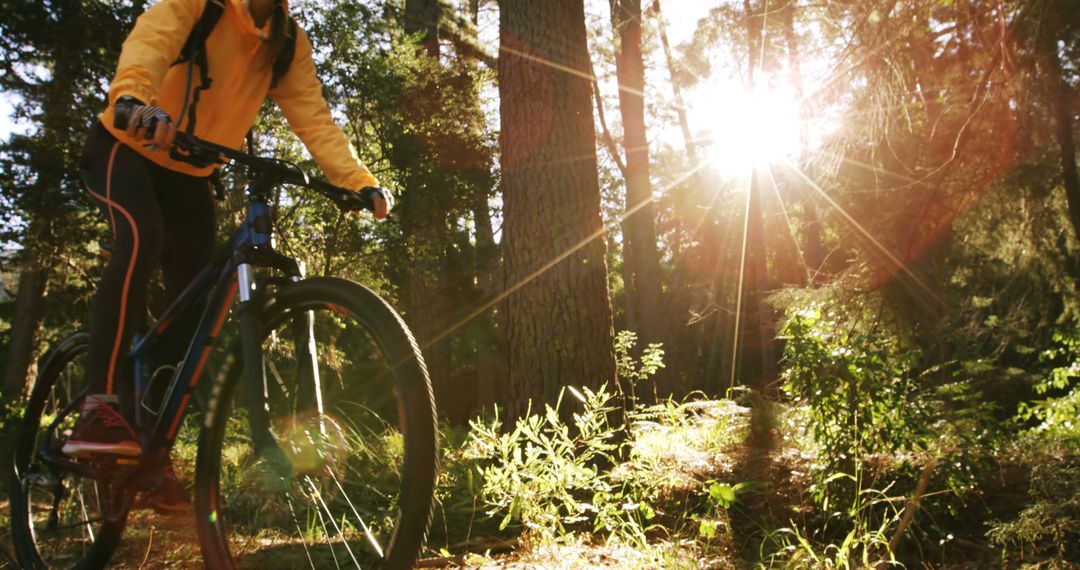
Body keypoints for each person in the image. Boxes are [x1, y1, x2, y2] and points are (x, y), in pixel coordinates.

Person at [63, 0, 390, 515]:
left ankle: (150, 454)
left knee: (190, 312)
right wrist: (134, 100)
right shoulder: (200, 5)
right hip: (126, 145)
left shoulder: (285, 42)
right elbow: (150, 43)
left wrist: (356, 180)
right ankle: (98, 405)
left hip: (191, 174)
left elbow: (312, 116)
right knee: (141, 238)